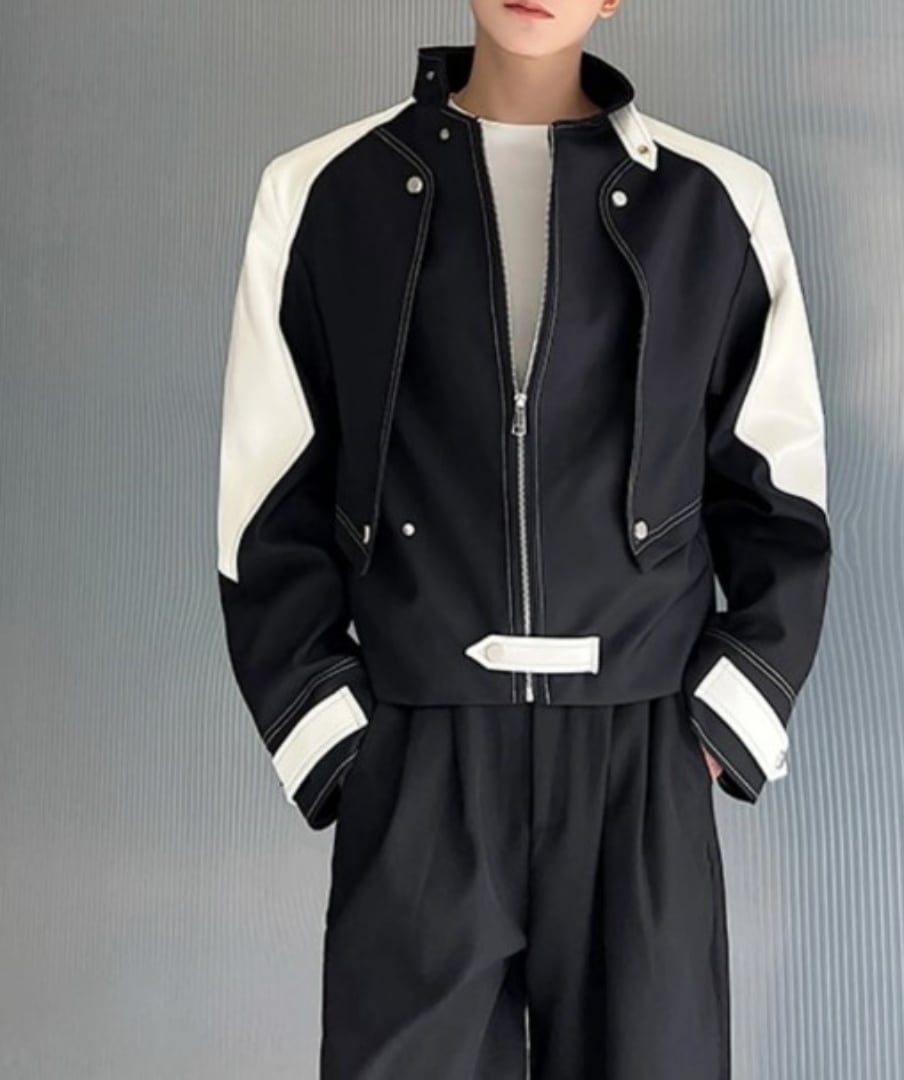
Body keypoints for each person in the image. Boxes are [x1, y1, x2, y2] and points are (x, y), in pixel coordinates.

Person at [215, 1, 831, 1077]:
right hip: (419, 754)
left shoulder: (716, 202)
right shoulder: (321, 192)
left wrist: (716, 730)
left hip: (640, 756)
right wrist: (343, 747)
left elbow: (781, 496)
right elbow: (268, 495)